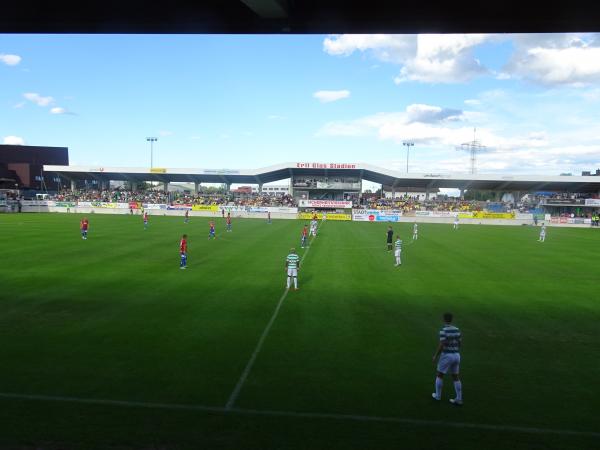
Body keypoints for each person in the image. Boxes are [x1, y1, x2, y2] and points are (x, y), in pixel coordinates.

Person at [432, 312, 463, 406]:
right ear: (452, 319)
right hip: (457, 355)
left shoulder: (443, 330)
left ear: (444, 319)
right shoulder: (457, 330)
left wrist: (435, 355)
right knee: (455, 376)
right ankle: (459, 398)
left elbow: (442, 344)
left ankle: (438, 396)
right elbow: (460, 343)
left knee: (440, 374)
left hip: (447, 355)